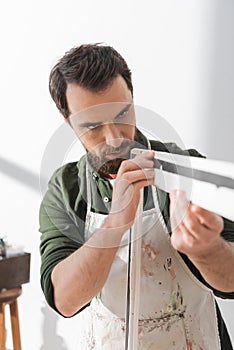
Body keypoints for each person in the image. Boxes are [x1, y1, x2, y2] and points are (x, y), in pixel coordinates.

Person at [39, 43, 234, 349]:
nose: (114, 138)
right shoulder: (66, 189)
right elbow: (64, 301)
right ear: (69, 124)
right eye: (92, 126)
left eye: (122, 115)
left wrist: (207, 249)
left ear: (132, 99)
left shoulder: (186, 168)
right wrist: (116, 222)